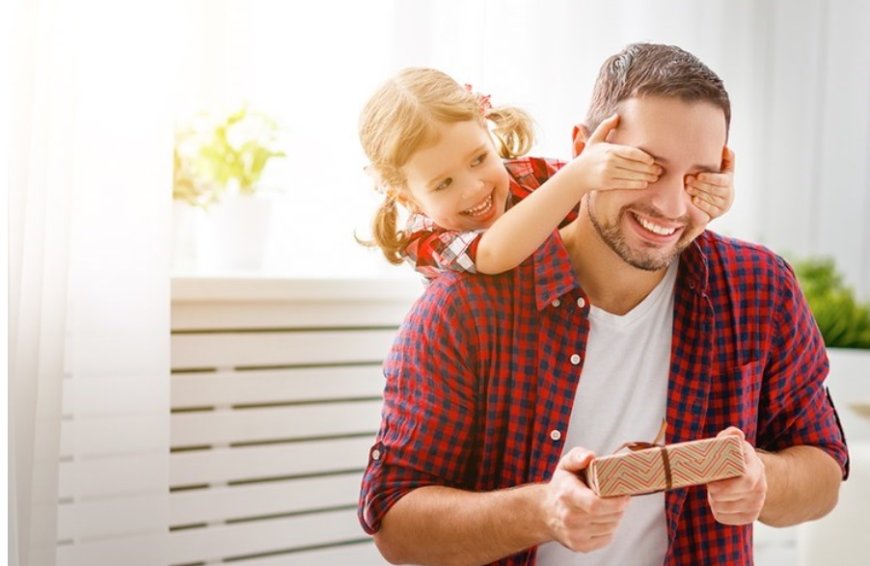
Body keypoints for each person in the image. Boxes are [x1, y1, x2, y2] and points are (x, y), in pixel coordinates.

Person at [358, 43, 850, 566]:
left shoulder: (759, 287)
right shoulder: (460, 310)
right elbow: (396, 524)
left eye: (696, 176)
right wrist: (542, 510)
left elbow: (824, 473)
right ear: (585, 149)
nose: (670, 205)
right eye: (646, 167)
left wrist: (762, 478)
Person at [358, 67, 734, 280]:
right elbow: (492, 254)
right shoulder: (424, 237)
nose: (474, 187)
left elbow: (609, 205)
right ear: (408, 197)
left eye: (478, 159)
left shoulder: (529, 176)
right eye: (443, 183)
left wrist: (702, 196)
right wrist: (577, 176)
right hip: (495, 351)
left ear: (488, 130)